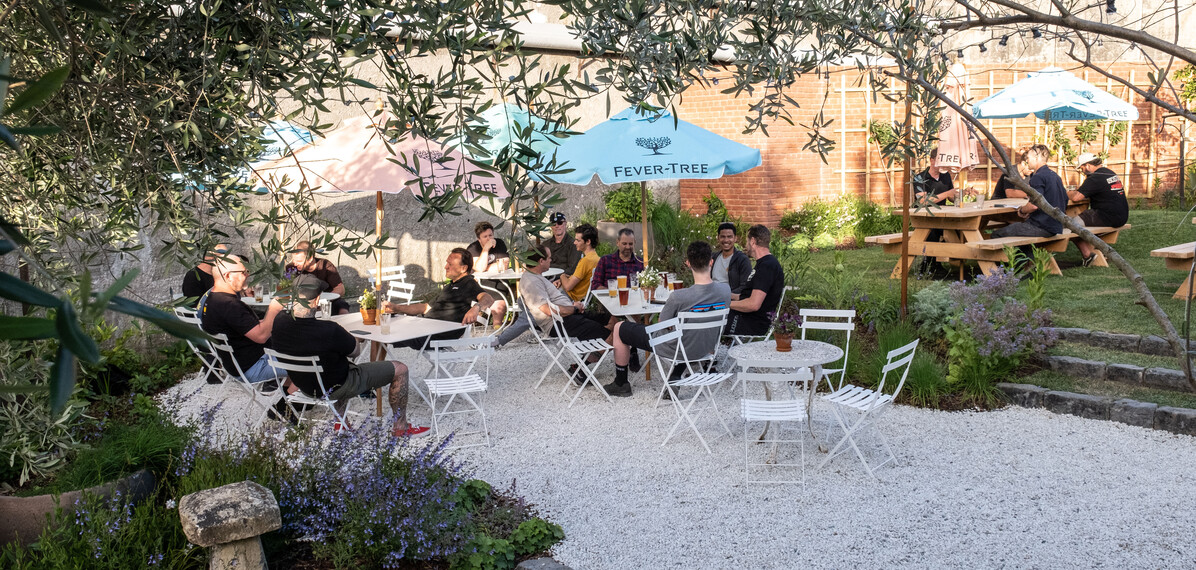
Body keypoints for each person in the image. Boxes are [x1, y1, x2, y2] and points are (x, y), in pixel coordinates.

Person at [271, 274, 429, 436]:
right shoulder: (329, 330)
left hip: (304, 386)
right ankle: (401, 427)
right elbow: (355, 351)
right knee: (400, 369)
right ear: (317, 301)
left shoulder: (280, 321)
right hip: (337, 386)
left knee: (335, 364)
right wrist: (348, 336)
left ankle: (342, 423)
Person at [603, 241, 731, 397]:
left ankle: (621, 383)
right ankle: (675, 377)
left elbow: (662, 325)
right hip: (706, 347)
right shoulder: (725, 290)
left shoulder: (679, 297)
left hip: (678, 349)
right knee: (685, 333)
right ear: (711, 261)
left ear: (688, 263)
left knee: (619, 328)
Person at [520, 244, 611, 381]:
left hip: (567, 315)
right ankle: (581, 368)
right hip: (558, 323)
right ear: (541, 261)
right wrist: (573, 309)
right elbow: (547, 310)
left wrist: (572, 306)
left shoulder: (536, 276)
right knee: (614, 334)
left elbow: (553, 303)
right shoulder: (531, 282)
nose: (551, 260)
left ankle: (584, 361)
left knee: (611, 319)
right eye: (549, 258)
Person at [384, 248, 503, 349]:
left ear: (463, 268)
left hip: (436, 335)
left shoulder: (469, 283)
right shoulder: (450, 286)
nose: (446, 267)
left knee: (382, 333)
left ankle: (378, 372)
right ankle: (379, 369)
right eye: (447, 263)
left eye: (450, 264)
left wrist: (476, 308)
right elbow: (425, 307)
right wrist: (396, 307)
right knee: (382, 329)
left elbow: (488, 298)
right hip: (426, 328)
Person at [198, 255, 285, 383]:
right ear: (228, 276)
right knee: (308, 363)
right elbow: (261, 336)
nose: (247, 275)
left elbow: (245, 327)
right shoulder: (230, 305)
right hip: (254, 366)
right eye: (244, 272)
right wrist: (274, 308)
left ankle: (285, 402)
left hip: (236, 366)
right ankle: (296, 400)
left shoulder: (211, 299)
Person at [992, 144, 1067, 239]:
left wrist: (1022, 210)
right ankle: (1027, 254)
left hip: (1040, 226)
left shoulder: (1038, 177)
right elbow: (1065, 199)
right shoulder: (1055, 176)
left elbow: (1034, 205)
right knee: (1022, 242)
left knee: (996, 234)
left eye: (1028, 158)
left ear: (1036, 158)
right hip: (1055, 227)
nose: (1027, 161)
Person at [1069, 152, 1129, 267]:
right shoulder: (1109, 173)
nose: (1082, 171)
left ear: (1087, 166)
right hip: (1121, 215)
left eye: (1082, 168)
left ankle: (1087, 255)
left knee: (1071, 223)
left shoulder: (1095, 178)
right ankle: (1098, 251)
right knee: (1081, 221)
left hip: (1107, 216)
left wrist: (1067, 193)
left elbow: (1076, 197)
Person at [726, 225, 784, 336]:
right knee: (707, 312)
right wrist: (727, 295)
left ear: (753, 241)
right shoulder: (764, 264)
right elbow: (749, 296)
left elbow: (753, 304)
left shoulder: (767, 267)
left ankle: (699, 352)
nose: (746, 245)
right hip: (745, 317)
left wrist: (725, 304)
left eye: (747, 241)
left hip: (751, 323)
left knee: (706, 317)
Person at [286, 240, 350, 315]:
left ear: (310, 259)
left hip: (326, 301)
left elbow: (340, 289)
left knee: (342, 306)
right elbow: (286, 289)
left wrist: (322, 301)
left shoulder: (325, 266)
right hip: (301, 302)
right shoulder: (291, 268)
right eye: (293, 260)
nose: (295, 263)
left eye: (299, 261)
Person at [559, 223, 600, 302]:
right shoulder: (597, 259)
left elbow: (568, 286)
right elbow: (580, 278)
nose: (574, 243)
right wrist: (565, 278)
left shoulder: (586, 261)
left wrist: (562, 276)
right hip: (573, 296)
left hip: (567, 297)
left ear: (588, 241)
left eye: (578, 240)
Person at [711, 222, 751, 296]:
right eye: (723, 236)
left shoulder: (742, 260)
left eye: (729, 237)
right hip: (710, 298)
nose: (726, 240)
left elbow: (745, 286)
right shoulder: (712, 258)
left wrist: (726, 295)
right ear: (718, 238)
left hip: (730, 300)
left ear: (735, 238)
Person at [545, 211, 581, 280]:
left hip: (564, 280)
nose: (556, 226)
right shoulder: (546, 245)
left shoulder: (573, 244)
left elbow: (572, 269)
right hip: (545, 278)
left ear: (565, 223)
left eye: (560, 223)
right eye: (553, 223)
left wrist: (560, 279)